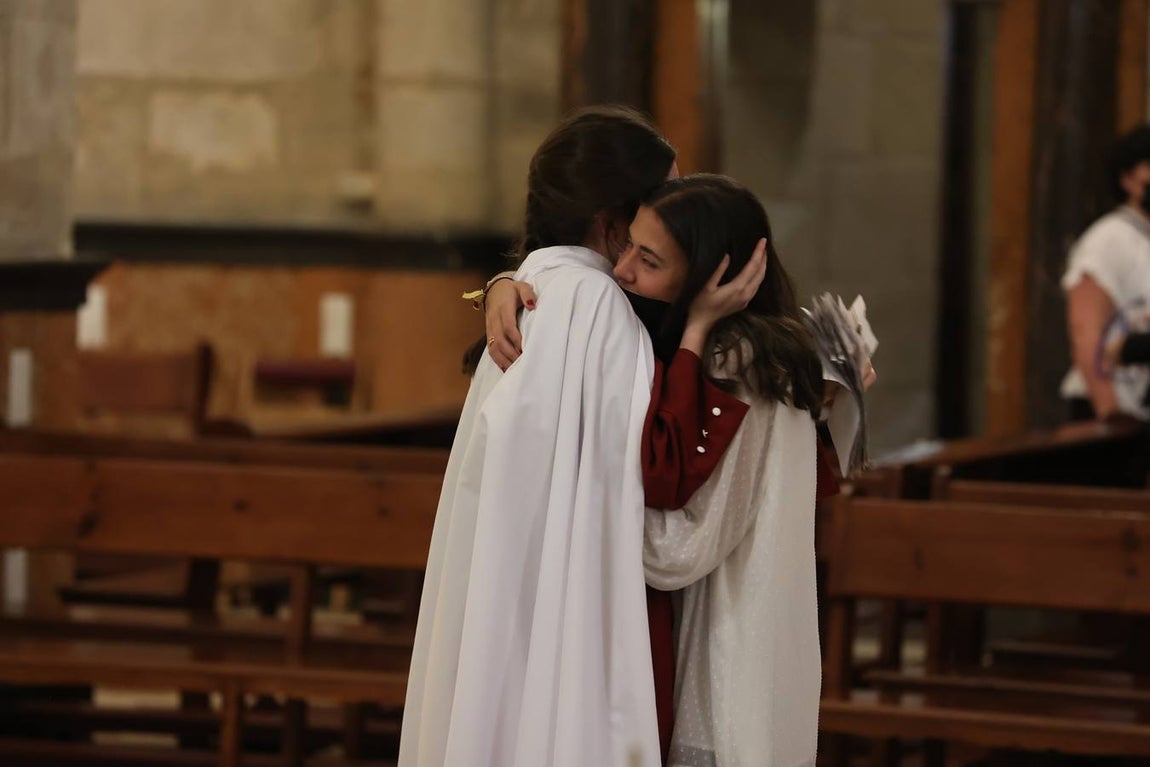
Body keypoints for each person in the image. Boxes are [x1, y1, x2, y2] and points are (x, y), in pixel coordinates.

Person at [400, 105, 754, 767]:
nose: (675, 214)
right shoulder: (594, 303)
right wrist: (703, 332)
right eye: (664, 196)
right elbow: (661, 469)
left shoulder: (540, 287)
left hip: (515, 600)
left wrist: (502, 280)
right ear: (612, 218)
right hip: (575, 605)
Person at [624, 174, 823, 767]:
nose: (622, 270)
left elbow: (679, 550)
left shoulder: (743, 364)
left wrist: (575, 494)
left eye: (649, 259)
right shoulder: (760, 350)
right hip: (734, 648)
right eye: (628, 246)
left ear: (716, 275)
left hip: (723, 666)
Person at [1063, 124, 1150, 421]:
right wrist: (1108, 410)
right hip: (1111, 413)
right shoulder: (1109, 239)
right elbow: (1086, 330)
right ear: (1127, 178)